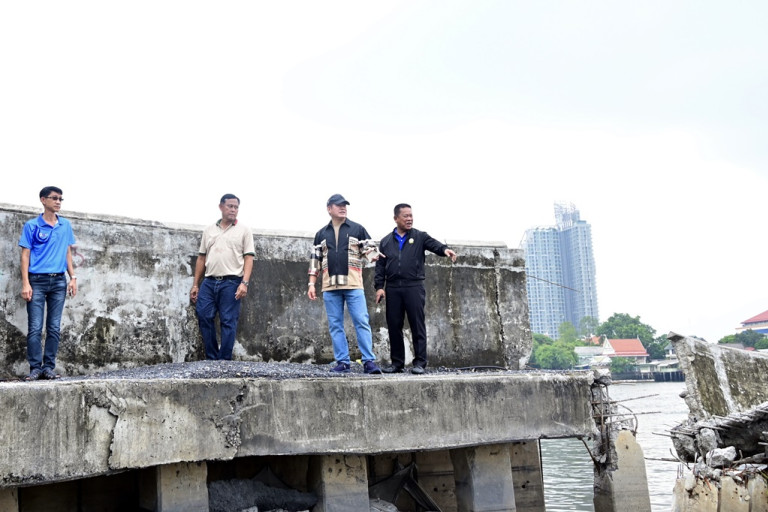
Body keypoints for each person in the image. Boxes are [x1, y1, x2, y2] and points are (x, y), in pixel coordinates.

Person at [374, 203, 457, 374]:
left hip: (414, 286)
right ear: (396, 218)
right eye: (405, 216)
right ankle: (397, 363)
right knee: (394, 325)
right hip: (393, 288)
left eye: (411, 215)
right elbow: (380, 266)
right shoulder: (386, 241)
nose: (409, 219)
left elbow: (435, 245)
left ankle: (420, 363)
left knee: (417, 324)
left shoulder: (419, 236)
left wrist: (445, 250)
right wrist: (379, 287)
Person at [308, 194, 382, 374]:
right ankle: (342, 362)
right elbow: (315, 261)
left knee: (361, 321)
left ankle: (369, 361)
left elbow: (370, 250)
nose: (343, 208)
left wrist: (375, 255)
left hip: (353, 285)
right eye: (338, 205)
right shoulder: (321, 234)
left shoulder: (357, 229)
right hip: (330, 287)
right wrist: (311, 284)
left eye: (345, 205)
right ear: (329, 208)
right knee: (335, 325)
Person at [19, 186, 78, 381]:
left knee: (53, 327)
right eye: (54, 198)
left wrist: (73, 277)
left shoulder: (65, 225)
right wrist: (26, 283)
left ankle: (48, 368)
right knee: (35, 328)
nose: (58, 201)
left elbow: (67, 252)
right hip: (37, 281)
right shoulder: (32, 226)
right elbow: (25, 255)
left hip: (59, 281)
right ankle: (35, 368)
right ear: (43, 200)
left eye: (61, 198)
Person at [190, 194, 255, 360]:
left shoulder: (244, 230)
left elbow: (249, 258)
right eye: (230, 206)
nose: (233, 210)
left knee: (228, 321)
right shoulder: (209, 230)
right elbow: (201, 258)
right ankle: (212, 358)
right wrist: (196, 284)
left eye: (236, 207)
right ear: (221, 207)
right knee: (204, 315)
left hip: (232, 282)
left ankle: (224, 361)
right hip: (209, 281)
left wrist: (244, 283)